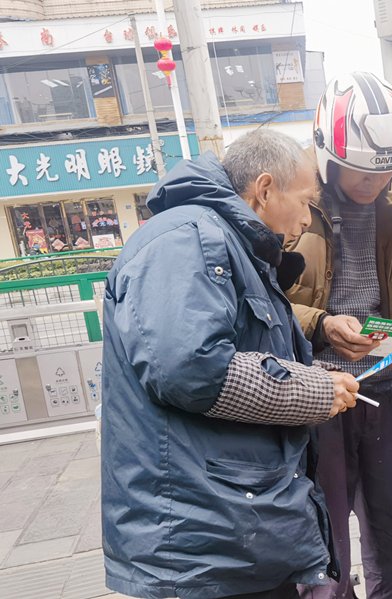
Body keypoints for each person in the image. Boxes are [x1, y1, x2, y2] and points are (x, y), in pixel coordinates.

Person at [101, 129, 363, 599]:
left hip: (225, 526)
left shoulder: (225, 242)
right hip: (197, 538)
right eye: (304, 202)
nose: (307, 219)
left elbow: (240, 354)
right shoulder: (187, 239)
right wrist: (315, 392)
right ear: (264, 189)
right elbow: (189, 367)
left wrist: (315, 377)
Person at [286, 72, 392, 599]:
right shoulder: (294, 206)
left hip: (382, 388)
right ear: (327, 156)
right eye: (359, 174)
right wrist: (322, 324)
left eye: (386, 172)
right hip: (316, 398)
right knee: (329, 558)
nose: (374, 185)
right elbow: (260, 301)